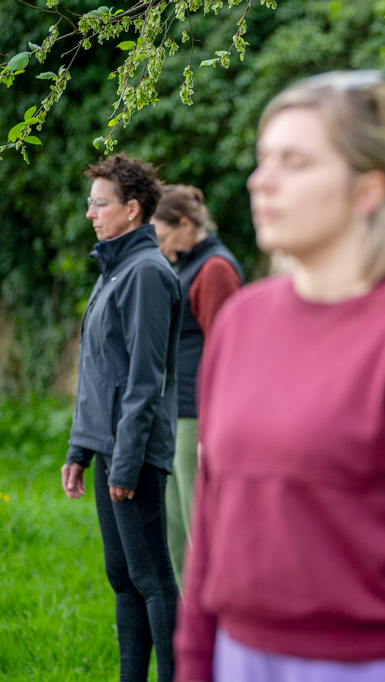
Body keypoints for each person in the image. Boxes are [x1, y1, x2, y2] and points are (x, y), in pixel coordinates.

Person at [173, 70, 385, 682]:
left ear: (367, 190)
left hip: (376, 664)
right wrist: (193, 664)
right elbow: (213, 518)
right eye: (263, 158)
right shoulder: (242, 321)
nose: (260, 180)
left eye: (293, 162)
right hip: (237, 657)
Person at [61, 153, 183, 682]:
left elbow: (142, 379)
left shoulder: (147, 274)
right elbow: (98, 371)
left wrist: (126, 464)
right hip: (108, 448)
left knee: (153, 577)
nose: (90, 213)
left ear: (132, 210)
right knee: (123, 577)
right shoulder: (114, 268)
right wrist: (79, 449)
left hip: (132, 454)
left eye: (99, 204)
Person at [152, 184, 243, 589]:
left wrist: (211, 430)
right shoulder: (190, 263)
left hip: (196, 417)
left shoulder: (216, 269)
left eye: (164, 236)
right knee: (175, 537)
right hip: (176, 414)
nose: (164, 247)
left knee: (200, 535)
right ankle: (186, 639)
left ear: (186, 224)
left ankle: (218, 639)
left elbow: (229, 356)